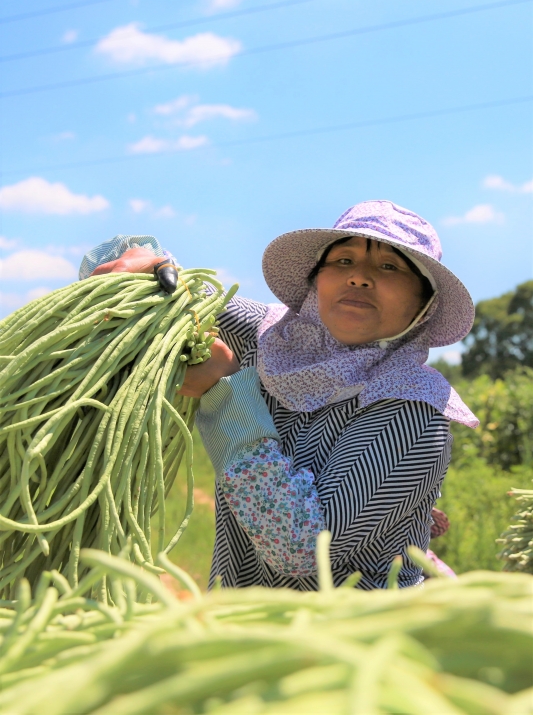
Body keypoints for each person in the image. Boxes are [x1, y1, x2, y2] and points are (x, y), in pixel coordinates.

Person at [81, 200, 478, 590]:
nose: (359, 277)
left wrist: (223, 393)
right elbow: (152, 281)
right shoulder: (273, 338)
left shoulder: (414, 412)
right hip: (232, 620)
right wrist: (145, 263)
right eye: (343, 260)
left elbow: (301, 547)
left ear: (424, 302)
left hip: (349, 628)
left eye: (389, 266)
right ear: (316, 279)